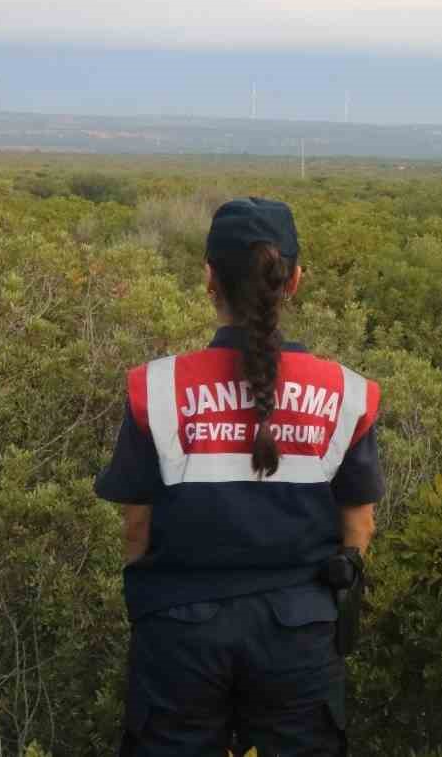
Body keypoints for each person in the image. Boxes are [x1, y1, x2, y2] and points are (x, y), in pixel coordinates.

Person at [96, 197, 382, 756]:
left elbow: (136, 528)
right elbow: (360, 523)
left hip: (178, 630)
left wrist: (153, 601)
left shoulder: (154, 389)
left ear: (208, 278)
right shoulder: (346, 394)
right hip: (300, 634)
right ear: (294, 279)